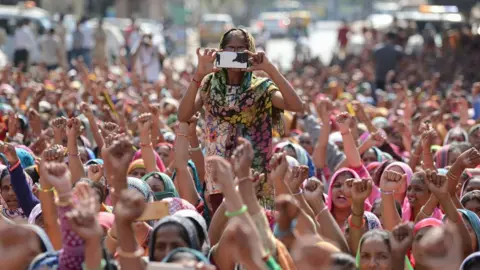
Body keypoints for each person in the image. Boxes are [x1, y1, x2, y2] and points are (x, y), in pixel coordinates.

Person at [177, 28, 303, 212]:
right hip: (218, 177)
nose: (235, 54)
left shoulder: (261, 87)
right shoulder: (209, 84)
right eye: (230, 48)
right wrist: (198, 75)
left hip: (253, 177)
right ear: (221, 51)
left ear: (250, 51)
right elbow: (183, 115)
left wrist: (269, 68)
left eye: (241, 49)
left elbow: (296, 106)